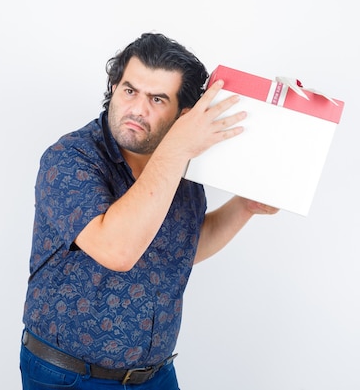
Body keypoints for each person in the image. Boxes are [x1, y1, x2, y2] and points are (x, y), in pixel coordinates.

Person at [20, 32, 279, 390]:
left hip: (155, 375)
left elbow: (181, 247)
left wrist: (244, 207)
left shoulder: (180, 165)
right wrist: (176, 149)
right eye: (129, 91)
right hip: (71, 377)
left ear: (183, 114)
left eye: (157, 99)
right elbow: (118, 250)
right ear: (114, 87)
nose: (137, 110)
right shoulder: (69, 159)